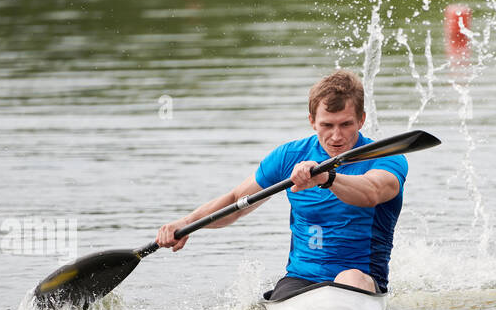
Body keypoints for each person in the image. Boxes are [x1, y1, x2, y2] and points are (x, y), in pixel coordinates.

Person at [155, 70, 407, 297]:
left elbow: (372, 192)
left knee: (348, 279)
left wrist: (326, 177)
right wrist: (186, 224)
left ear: (361, 120)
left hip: (361, 280)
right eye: (327, 125)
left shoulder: (386, 158)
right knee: (276, 301)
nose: (336, 135)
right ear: (312, 121)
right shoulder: (289, 156)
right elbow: (236, 201)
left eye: (346, 124)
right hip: (300, 279)